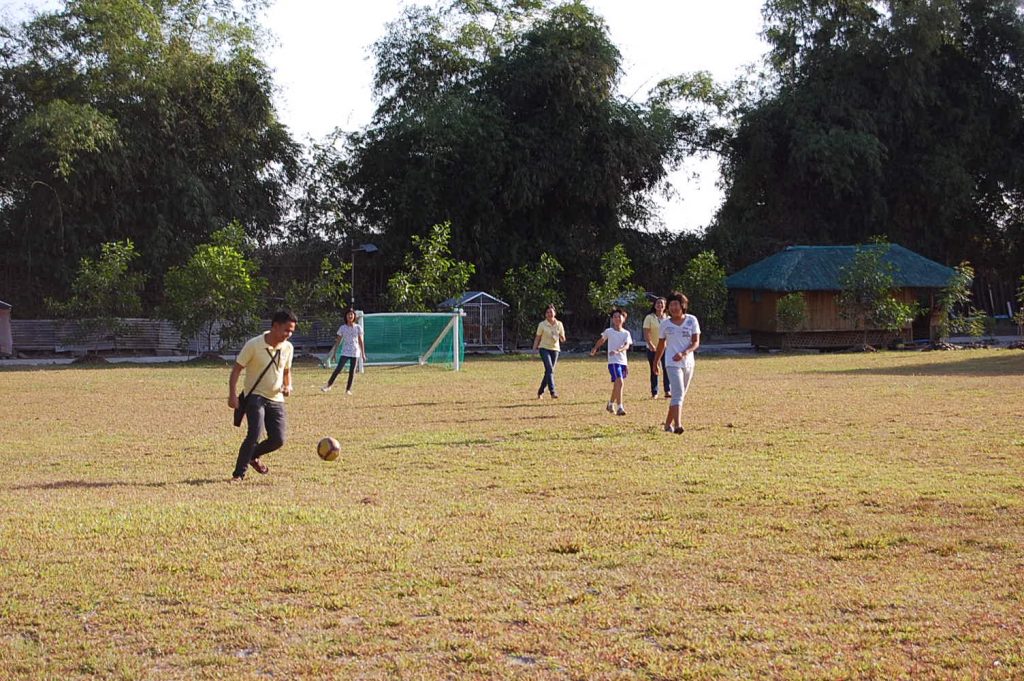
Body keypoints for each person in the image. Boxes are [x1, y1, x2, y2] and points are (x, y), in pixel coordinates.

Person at [228, 310, 297, 482]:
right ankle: (238, 474)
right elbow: (236, 369)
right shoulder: (254, 344)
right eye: (286, 330)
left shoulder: (288, 348)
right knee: (254, 434)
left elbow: (287, 371)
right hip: (255, 396)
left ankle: (252, 456)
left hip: (276, 398)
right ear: (275, 326)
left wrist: (288, 385)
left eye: (291, 332)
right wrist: (232, 395)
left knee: (278, 439)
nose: (288, 335)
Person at [653, 292, 700, 434]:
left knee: (679, 396)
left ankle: (667, 425)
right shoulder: (665, 324)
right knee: (678, 393)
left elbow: (696, 342)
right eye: (671, 305)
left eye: (676, 304)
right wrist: (656, 362)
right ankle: (678, 425)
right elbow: (661, 344)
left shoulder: (692, 320)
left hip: (688, 363)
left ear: (683, 305)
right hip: (671, 363)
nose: (673, 308)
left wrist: (685, 353)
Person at [590, 308, 633, 416]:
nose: (617, 318)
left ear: (624, 318)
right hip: (613, 362)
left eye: (619, 316)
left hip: (623, 361)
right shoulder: (609, 331)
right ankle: (620, 407)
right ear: (612, 319)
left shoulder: (626, 333)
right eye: (614, 317)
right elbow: (602, 340)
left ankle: (610, 404)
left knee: (617, 385)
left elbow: (627, 345)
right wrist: (595, 348)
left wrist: (619, 350)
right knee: (620, 382)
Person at [321, 308, 366, 395]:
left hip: (355, 352)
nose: (350, 316)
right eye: (348, 314)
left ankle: (348, 389)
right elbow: (338, 341)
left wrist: (363, 353)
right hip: (345, 351)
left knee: (352, 371)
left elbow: (361, 341)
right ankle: (328, 385)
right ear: (346, 316)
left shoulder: (358, 328)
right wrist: (334, 353)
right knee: (338, 369)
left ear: (354, 316)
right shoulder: (342, 328)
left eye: (352, 314)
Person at [532, 304, 565, 399]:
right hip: (544, 348)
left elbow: (563, 339)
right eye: (547, 312)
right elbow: (537, 338)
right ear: (545, 314)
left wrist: (559, 335)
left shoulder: (559, 324)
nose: (550, 314)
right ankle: (553, 392)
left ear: (555, 313)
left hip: (555, 349)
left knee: (548, 371)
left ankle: (540, 391)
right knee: (550, 369)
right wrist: (534, 350)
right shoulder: (542, 324)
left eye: (551, 312)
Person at [643, 297, 670, 399]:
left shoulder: (668, 318)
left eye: (662, 304)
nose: (660, 305)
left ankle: (667, 390)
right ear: (654, 305)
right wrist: (650, 344)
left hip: (666, 348)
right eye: (658, 303)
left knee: (666, 369)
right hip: (652, 348)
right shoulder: (649, 318)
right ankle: (654, 392)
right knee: (654, 369)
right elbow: (646, 332)